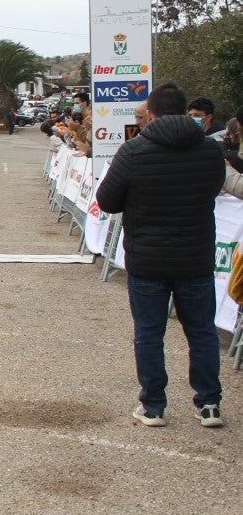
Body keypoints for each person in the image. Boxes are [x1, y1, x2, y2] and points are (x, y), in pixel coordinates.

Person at [95, 82, 226, 429]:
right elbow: (214, 189)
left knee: (149, 333)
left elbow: (107, 201)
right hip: (195, 256)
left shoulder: (134, 151)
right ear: (185, 112)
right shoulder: (211, 151)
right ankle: (209, 403)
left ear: (150, 114)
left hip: (148, 259)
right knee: (201, 332)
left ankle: (153, 405)